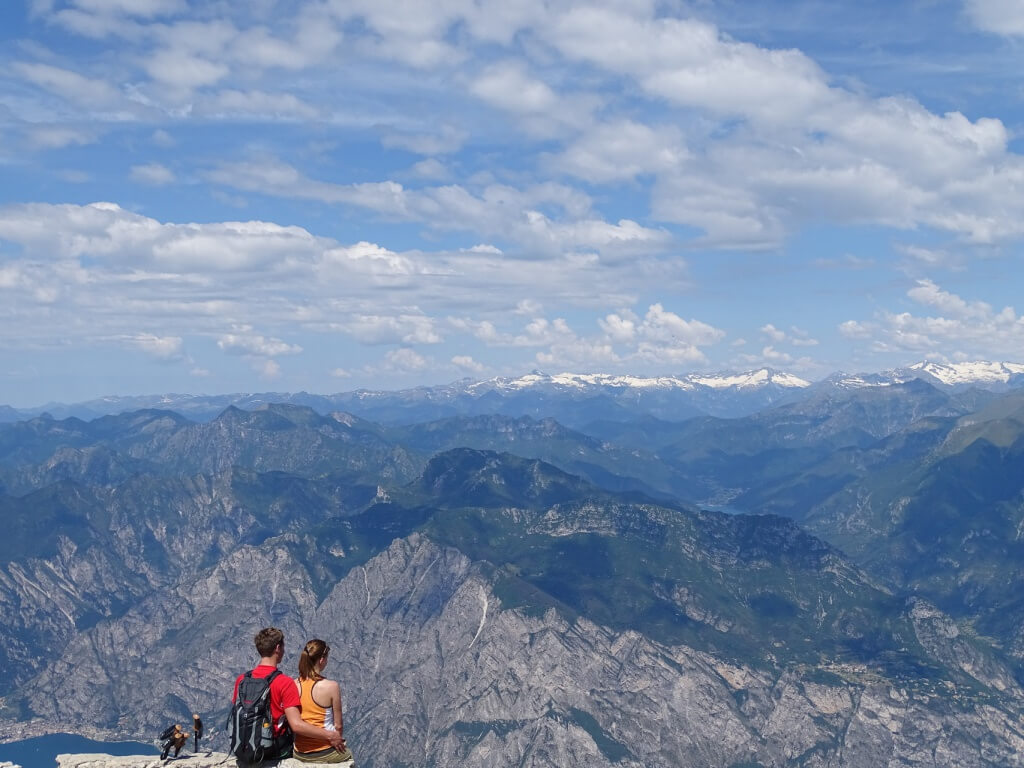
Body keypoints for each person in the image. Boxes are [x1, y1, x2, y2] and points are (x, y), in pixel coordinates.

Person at [232, 627, 346, 765]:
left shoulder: (242, 679)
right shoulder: (284, 682)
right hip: (274, 750)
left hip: (244, 747)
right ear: (278, 648)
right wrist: (330, 735)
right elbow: (296, 725)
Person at [292, 639, 354, 764]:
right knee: (348, 755)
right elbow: (338, 726)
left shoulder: (294, 684)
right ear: (321, 660)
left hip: (300, 752)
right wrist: (336, 739)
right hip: (325, 750)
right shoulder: (331, 686)